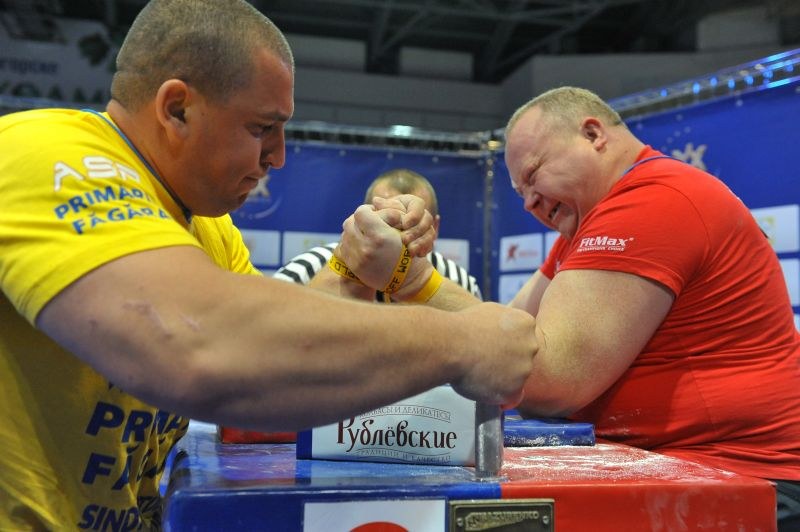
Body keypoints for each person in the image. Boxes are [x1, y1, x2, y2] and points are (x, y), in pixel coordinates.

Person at [0, 0, 538, 528]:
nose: (277, 156)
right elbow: (203, 346)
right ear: (177, 109)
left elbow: (281, 362)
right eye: (262, 128)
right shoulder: (47, 153)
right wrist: (463, 343)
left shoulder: (207, 227)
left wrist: (354, 265)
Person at [327, 86, 800, 529]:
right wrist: (410, 277)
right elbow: (510, 330)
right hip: (686, 470)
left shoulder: (652, 201)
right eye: (520, 193)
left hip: (741, 480)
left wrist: (414, 282)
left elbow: (547, 378)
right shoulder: (590, 224)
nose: (530, 203)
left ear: (592, 134)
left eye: (533, 175)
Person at [274, 168, 482, 300]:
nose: (396, 235)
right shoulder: (307, 269)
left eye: (413, 223)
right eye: (386, 220)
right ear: (361, 221)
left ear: (434, 228)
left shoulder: (459, 282)